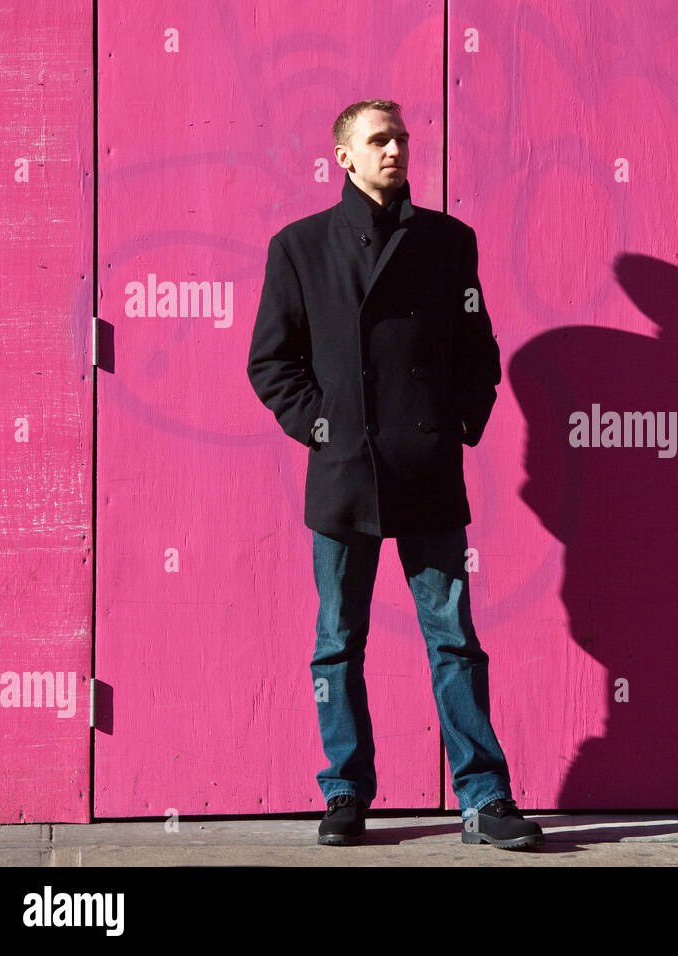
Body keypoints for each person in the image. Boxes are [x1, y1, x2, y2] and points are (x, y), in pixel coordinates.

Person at [246, 98, 542, 850]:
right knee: (337, 640)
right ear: (343, 155)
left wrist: (456, 430)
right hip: (344, 478)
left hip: (427, 473)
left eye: (402, 138)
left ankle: (484, 797)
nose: (396, 150)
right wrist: (323, 425)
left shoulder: (448, 243)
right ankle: (345, 792)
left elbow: (480, 354)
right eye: (379, 139)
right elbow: (271, 362)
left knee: (453, 638)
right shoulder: (300, 247)